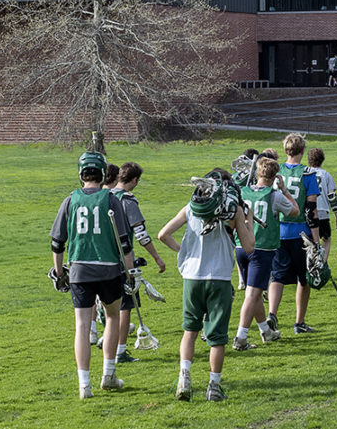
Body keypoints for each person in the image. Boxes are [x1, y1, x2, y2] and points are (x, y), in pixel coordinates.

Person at [156, 176, 255, 402]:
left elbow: (163, 234)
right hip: (218, 277)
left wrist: (185, 251)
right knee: (217, 337)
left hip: (192, 276)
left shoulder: (191, 208)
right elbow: (249, 247)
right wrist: (247, 222)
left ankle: (185, 378)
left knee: (189, 331)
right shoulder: (233, 211)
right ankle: (214, 386)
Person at [46, 150, 135, 399]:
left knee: (82, 326)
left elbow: (57, 242)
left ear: (81, 173)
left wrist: (59, 270)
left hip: (80, 270)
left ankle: (84, 385)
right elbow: (124, 242)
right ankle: (108, 374)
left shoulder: (70, 200)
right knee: (113, 318)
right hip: (108, 269)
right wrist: (130, 272)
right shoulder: (111, 199)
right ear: (103, 172)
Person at [231, 157, 293, 350]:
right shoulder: (273, 195)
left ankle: (266, 331)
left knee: (255, 292)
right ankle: (241, 338)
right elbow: (295, 211)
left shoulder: (243, 191)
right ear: (275, 176)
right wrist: (284, 189)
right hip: (262, 249)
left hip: (241, 245)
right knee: (252, 294)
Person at [108, 164, 167, 364]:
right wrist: (157, 257)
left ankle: (106, 343)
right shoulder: (127, 201)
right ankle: (120, 351)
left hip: (102, 258)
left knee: (109, 306)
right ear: (134, 180)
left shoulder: (104, 197)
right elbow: (140, 233)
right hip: (123, 260)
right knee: (126, 306)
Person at [265, 134, 322, 336]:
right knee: (303, 278)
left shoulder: (274, 171)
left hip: (277, 232)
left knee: (277, 277)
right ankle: (299, 322)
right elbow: (311, 209)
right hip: (301, 234)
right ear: (302, 150)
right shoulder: (308, 174)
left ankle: (272, 313)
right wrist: (316, 241)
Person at [305, 147, 337, 247]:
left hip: (309, 212)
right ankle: (323, 261)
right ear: (322, 160)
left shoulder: (305, 173)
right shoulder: (326, 175)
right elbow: (332, 196)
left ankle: (312, 261)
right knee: (326, 239)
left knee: (310, 240)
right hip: (323, 211)